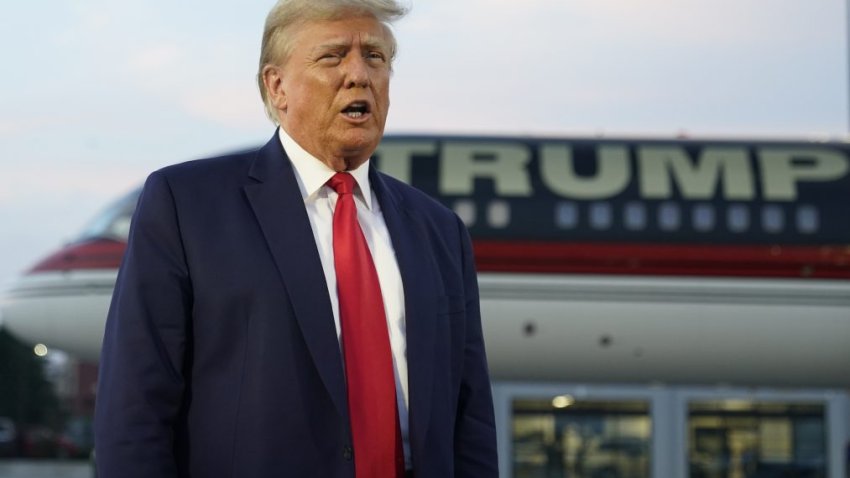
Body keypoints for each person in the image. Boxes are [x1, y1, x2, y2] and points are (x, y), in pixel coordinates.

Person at [93, 0, 498, 477]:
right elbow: (134, 409)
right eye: (332, 56)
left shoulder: (439, 231)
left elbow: (470, 422)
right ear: (277, 86)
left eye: (375, 56)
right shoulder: (186, 204)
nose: (359, 74)